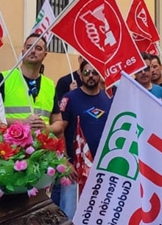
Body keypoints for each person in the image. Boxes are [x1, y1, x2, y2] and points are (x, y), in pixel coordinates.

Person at [49, 59, 109, 219]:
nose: (91, 76)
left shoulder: (108, 99)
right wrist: (66, 162)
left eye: (95, 72)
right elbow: (59, 130)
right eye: (86, 72)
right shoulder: (69, 99)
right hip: (74, 171)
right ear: (80, 75)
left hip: (99, 171)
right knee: (70, 215)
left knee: (97, 215)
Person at [0, 34, 54, 131]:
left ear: (45, 55)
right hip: (10, 144)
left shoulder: (50, 85)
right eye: (29, 47)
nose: (33, 51)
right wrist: (22, 122)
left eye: (38, 48)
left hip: (42, 144)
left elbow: (59, 122)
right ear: (23, 51)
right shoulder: (4, 78)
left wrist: (46, 128)